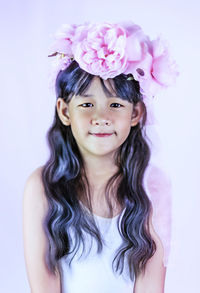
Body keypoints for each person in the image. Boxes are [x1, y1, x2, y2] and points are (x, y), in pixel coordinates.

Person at [23, 21, 178, 293]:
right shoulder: (43, 186)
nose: (101, 118)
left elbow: (151, 286)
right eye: (86, 104)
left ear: (136, 113)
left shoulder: (153, 186)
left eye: (116, 104)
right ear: (65, 111)